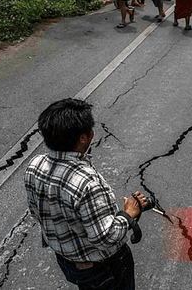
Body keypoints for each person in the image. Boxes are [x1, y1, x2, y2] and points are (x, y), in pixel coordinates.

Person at [25, 98, 148, 290]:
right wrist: (128, 213)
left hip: (68, 262)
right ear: (84, 137)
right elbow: (106, 238)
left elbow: (36, 212)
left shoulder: (35, 165)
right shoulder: (87, 183)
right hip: (102, 267)